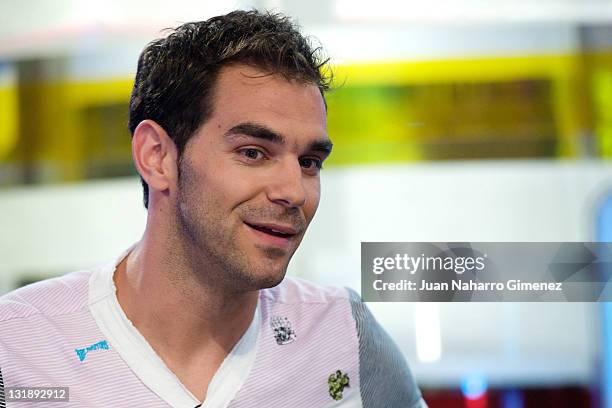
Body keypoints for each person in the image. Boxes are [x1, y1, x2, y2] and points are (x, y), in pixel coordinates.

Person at [0, 10, 426, 408]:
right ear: (157, 157)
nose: (293, 191)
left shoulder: (340, 332)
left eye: (309, 162)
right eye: (254, 153)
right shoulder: (18, 345)